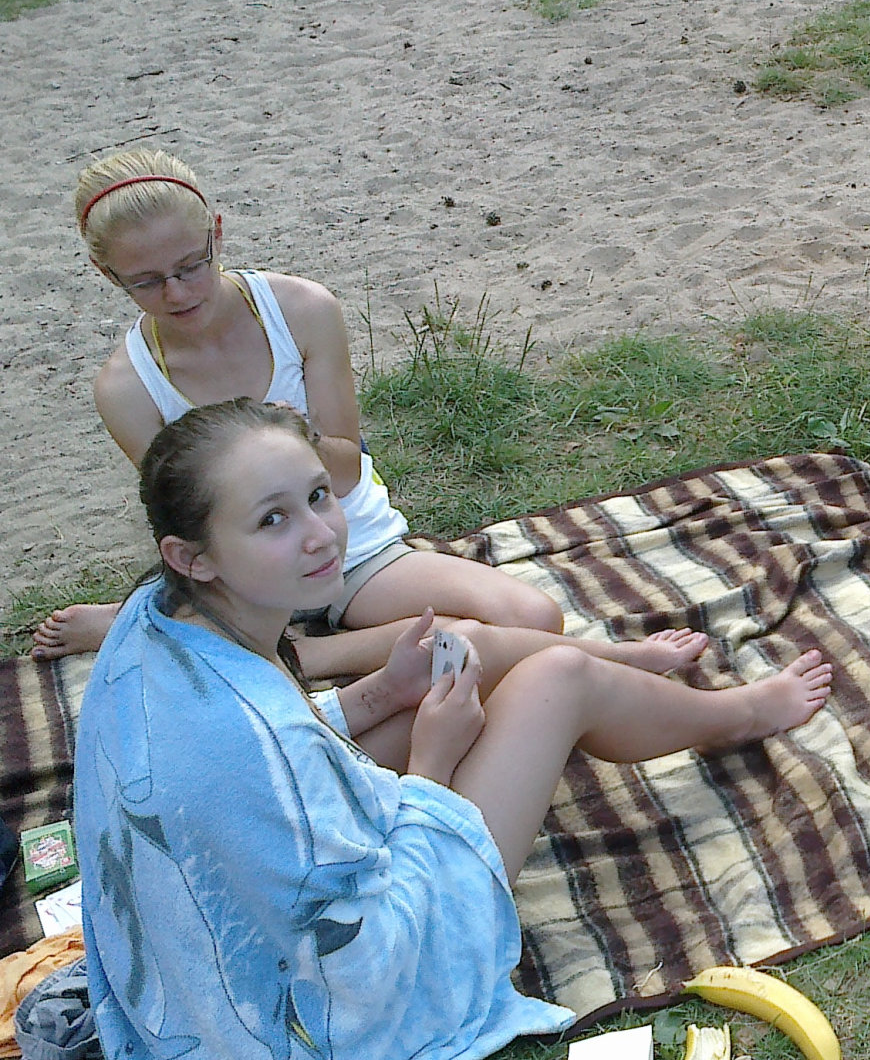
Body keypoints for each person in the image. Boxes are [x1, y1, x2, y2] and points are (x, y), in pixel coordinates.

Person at [73, 399, 834, 1060]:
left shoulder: (156, 621)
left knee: (459, 650)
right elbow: (364, 947)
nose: (320, 533)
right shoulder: (258, 737)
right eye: (272, 520)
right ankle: (739, 715)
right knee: (558, 680)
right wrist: (432, 761)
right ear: (193, 555)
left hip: (196, 982)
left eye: (317, 496)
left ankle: (636, 675)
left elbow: (285, 752)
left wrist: (385, 691)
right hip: (341, 1023)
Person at [34, 150, 565, 676]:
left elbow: (346, 471)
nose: (177, 292)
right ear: (107, 273)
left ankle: (276, 652)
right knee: (455, 642)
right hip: (245, 576)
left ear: (217, 232)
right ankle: (233, 637)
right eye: (146, 281)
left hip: (348, 544)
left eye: (192, 265)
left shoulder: (303, 311)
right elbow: (190, 519)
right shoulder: (127, 387)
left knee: (532, 618)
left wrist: (300, 442)